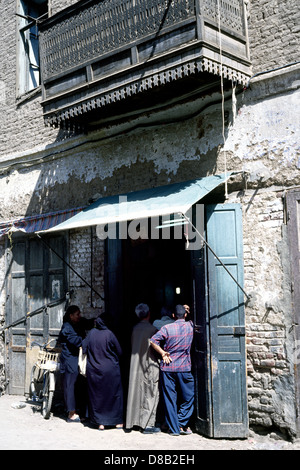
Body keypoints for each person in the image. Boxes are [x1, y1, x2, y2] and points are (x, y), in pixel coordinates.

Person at [150, 304, 194, 436]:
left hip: (168, 367)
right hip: (184, 367)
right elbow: (191, 317)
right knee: (189, 397)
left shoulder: (167, 328)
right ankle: (181, 423)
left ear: (173, 316)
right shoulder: (190, 326)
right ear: (185, 315)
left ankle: (175, 428)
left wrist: (163, 353)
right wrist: (187, 310)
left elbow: (152, 341)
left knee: (170, 398)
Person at [82, 314, 123, 430]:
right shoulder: (109, 334)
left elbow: (84, 347)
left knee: (97, 396)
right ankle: (117, 422)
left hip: (94, 370)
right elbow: (119, 351)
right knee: (114, 395)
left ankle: (100, 423)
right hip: (110, 371)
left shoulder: (91, 333)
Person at [126, 303, 160, 434]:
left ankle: (133, 421)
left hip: (135, 365)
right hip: (149, 364)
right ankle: (147, 424)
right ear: (149, 314)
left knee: (136, 393)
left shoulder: (134, 329)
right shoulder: (152, 330)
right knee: (150, 394)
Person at [57, 305, 94, 422]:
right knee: (70, 385)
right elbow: (77, 341)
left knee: (79, 385)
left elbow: (88, 323)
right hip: (70, 359)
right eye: (77, 314)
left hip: (78, 358)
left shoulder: (79, 322)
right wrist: (91, 339)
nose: (80, 316)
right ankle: (71, 413)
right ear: (71, 316)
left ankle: (79, 411)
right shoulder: (67, 328)